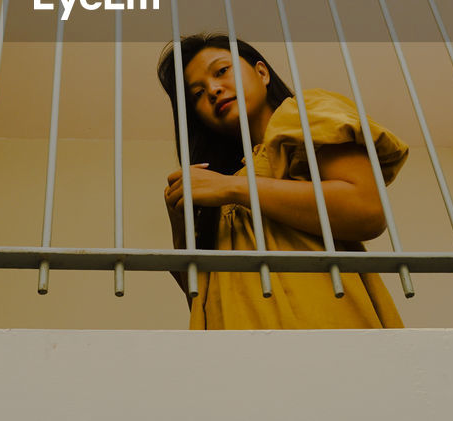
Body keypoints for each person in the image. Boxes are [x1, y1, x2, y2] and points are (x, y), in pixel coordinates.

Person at [156, 32, 410, 329]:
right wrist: (180, 224)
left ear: (261, 72)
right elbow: (200, 295)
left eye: (221, 71)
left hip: (324, 334)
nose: (212, 89)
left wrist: (233, 188)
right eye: (197, 93)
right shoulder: (220, 184)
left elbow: (367, 211)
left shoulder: (304, 114)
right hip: (234, 349)